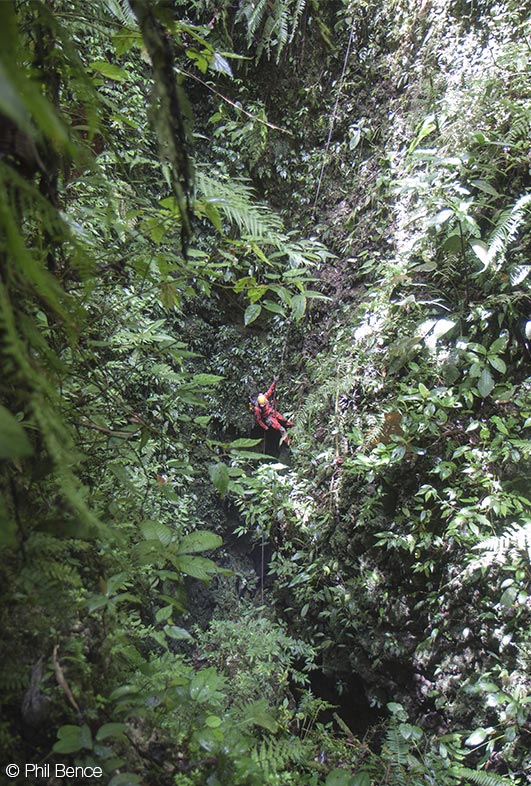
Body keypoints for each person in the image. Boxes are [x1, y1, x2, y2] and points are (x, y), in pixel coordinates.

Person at [251, 379, 294, 446]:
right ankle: (288, 442)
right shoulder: (257, 409)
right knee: (281, 429)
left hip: (273, 412)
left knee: (284, 420)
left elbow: (270, 390)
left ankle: (293, 425)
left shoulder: (265, 397)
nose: (263, 406)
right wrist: (265, 427)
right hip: (269, 418)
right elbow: (259, 420)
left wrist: (275, 382)